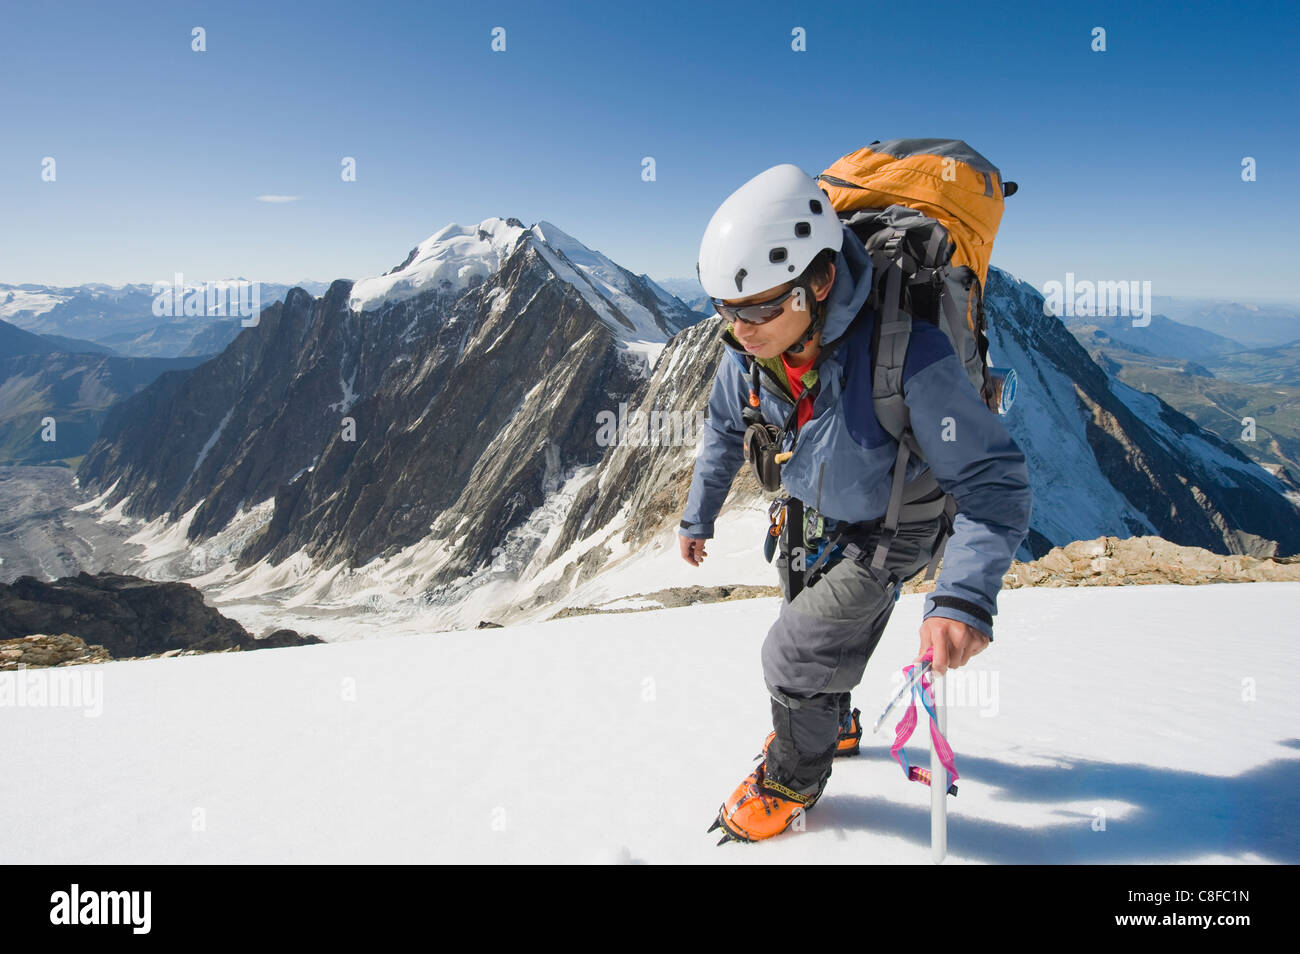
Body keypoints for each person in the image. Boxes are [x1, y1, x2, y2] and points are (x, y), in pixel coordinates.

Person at [680, 163, 1032, 843]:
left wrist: (962, 598)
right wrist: (699, 515)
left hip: (895, 523)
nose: (741, 328)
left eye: (758, 308)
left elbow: (994, 484)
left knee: (792, 653)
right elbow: (724, 428)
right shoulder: (748, 355)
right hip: (813, 512)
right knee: (805, 622)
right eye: (727, 310)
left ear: (821, 281)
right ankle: (831, 724)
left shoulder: (911, 356)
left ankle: (792, 778)